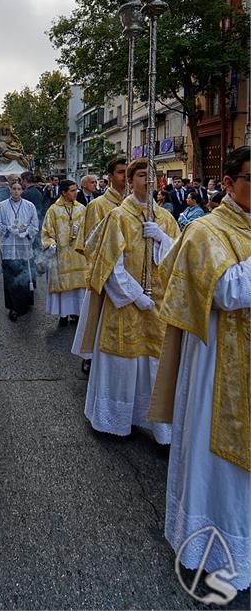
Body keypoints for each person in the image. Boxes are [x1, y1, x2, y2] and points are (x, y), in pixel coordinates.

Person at [149, 146, 250, 592]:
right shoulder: (206, 230)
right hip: (218, 368)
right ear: (227, 184)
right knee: (221, 468)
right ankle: (215, 545)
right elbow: (227, 290)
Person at [80, 158, 178, 442]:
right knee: (123, 364)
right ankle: (117, 421)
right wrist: (136, 295)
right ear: (131, 180)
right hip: (126, 305)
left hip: (158, 307)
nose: (147, 180)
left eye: (152, 175)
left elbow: (180, 262)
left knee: (153, 365)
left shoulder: (167, 219)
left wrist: (163, 240)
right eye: (141, 175)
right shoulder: (119, 217)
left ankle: (159, 427)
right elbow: (110, 265)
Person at [73, 157, 127, 373]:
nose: (125, 177)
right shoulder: (98, 205)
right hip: (105, 270)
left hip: (129, 270)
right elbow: (89, 242)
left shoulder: (135, 204)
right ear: (111, 176)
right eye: (121, 172)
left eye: (127, 172)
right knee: (97, 315)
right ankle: (90, 355)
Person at [41, 179, 88, 328]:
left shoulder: (82, 209)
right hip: (61, 255)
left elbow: (88, 230)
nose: (76, 193)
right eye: (73, 191)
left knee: (78, 288)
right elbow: (46, 232)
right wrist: (51, 244)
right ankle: (63, 314)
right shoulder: (53, 210)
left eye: (76, 190)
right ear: (63, 192)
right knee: (64, 289)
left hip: (78, 255)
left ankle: (77, 312)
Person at [0, 179, 39, 321]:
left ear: (22, 190)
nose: (16, 191)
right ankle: (13, 307)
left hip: (24, 247)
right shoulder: (1, 206)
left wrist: (26, 232)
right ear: (10, 190)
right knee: (11, 278)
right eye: (14, 189)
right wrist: (8, 229)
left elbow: (35, 225)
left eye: (19, 189)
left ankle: (24, 304)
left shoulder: (29, 206)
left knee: (24, 276)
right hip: (8, 247)